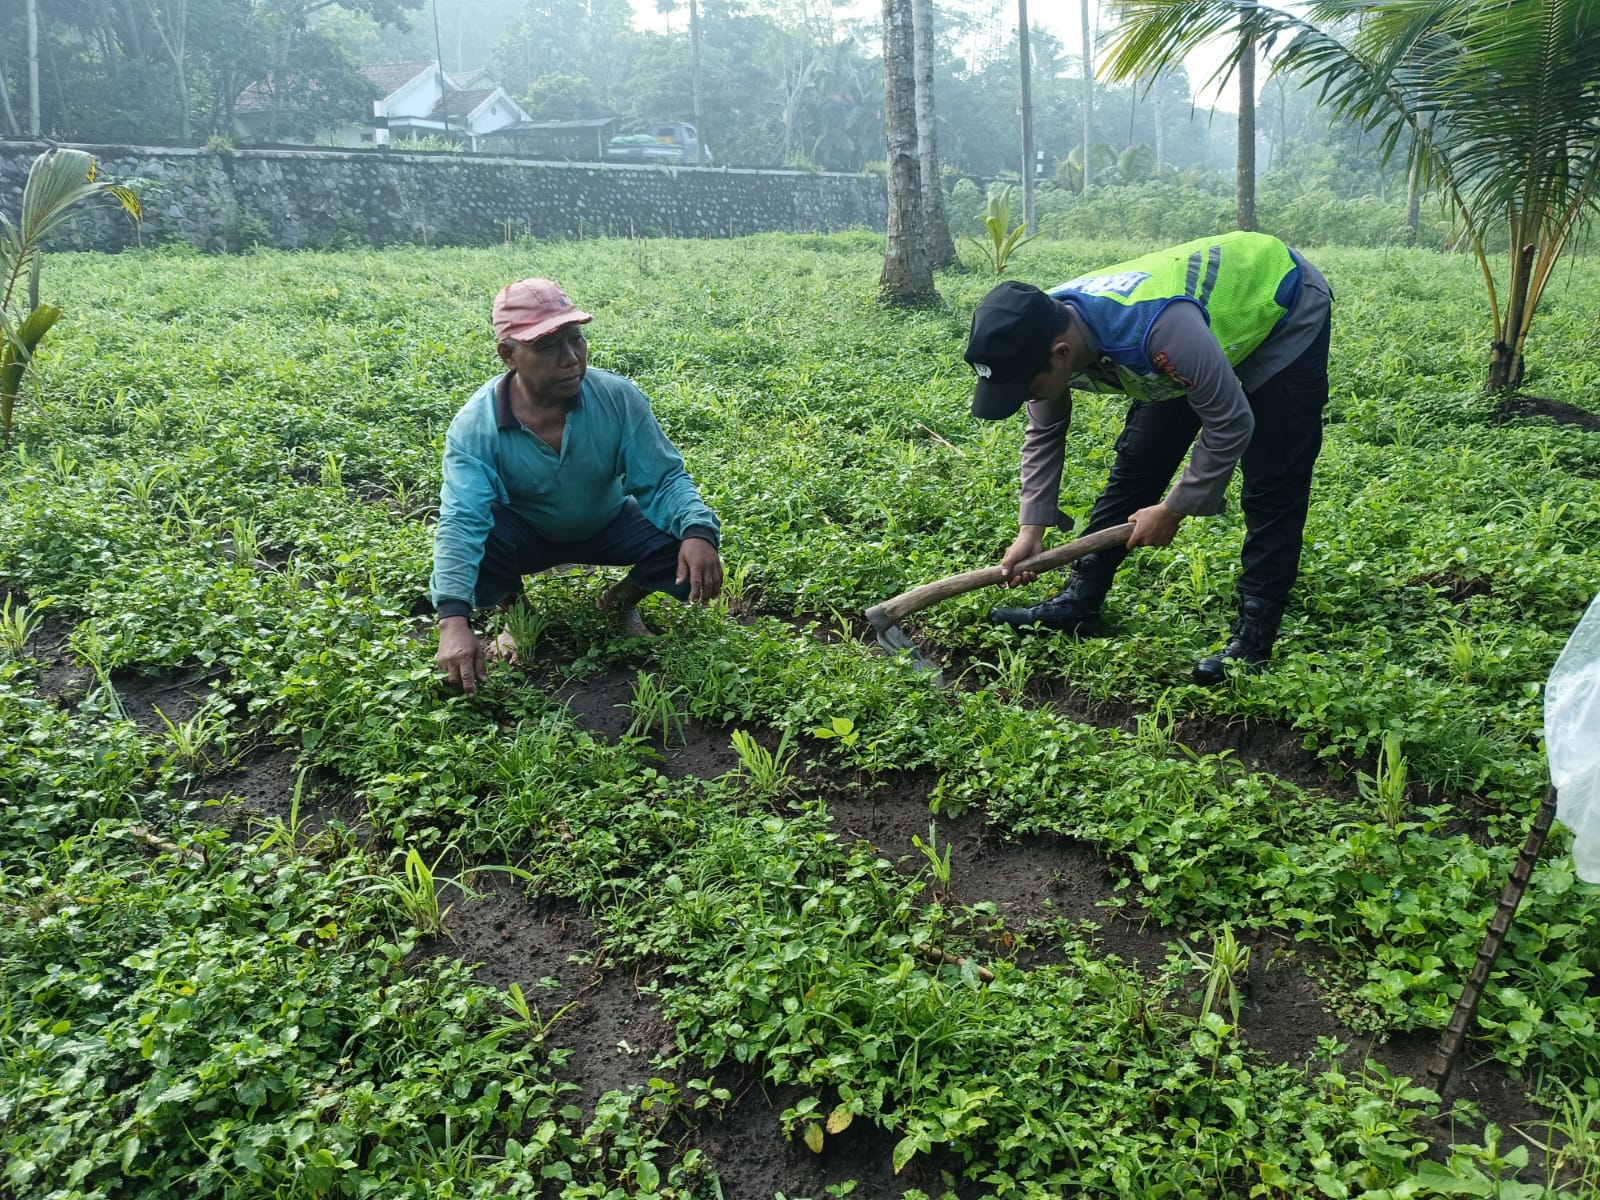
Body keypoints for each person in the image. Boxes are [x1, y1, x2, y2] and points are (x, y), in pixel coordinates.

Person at [963, 230, 1333, 684]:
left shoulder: (1155, 329)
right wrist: (1031, 529)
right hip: (1189, 337)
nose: (1027, 398)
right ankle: (1081, 599)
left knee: (1273, 473)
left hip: (1279, 303)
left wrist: (1174, 509)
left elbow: (1232, 421)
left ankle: (1254, 636)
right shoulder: (1038, 330)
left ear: (1062, 354)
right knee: (1139, 462)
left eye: (1027, 388)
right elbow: (1044, 431)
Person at [431, 278, 723, 693]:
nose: (570, 358)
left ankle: (619, 603)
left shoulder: (618, 398)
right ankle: (518, 617)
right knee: (483, 537)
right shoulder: (475, 426)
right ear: (508, 356)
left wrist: (697, 532)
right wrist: (452, 620)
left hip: (608, 521)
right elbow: (461, 522)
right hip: (525, 532)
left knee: (688, 534)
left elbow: (664, 478)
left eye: (575, 339)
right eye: (547, 347)